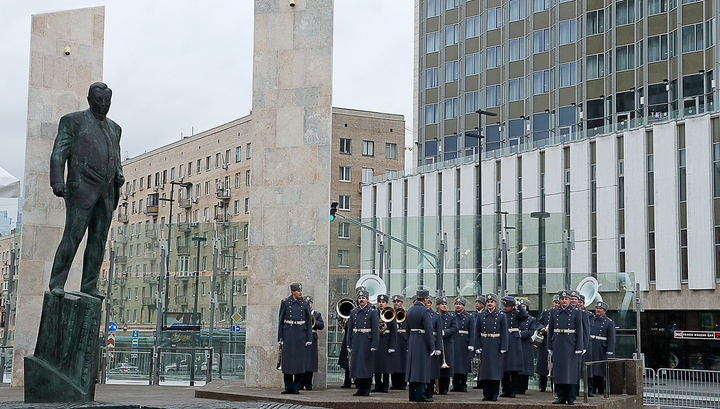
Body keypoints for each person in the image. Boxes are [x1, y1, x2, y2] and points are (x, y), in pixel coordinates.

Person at [49, 82, 124, 299]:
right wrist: (57, 182)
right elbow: (58, 153)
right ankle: (57, 283)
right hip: (80, 189)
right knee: (73, 236)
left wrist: (119, 172)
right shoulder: (73, 121)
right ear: (89, 100)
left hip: (107, 192)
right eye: (98, 100)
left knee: (98, 240)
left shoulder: (115, 128)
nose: (103, 105)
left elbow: (115, 157)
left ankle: (89, 285)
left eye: (106, 101)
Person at [547, 290, 584, 405]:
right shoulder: (553, 311)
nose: (564, 301)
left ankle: (571, 397)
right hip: (558, 343)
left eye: (566, 299)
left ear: (569, 300)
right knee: (558, 371)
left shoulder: (576, 312)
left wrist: (579, 346)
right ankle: (560, 396)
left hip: (570, 344)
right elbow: (551, 329)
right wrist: (549, 346)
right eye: (562, 299)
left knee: (570, 372)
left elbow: (580, 330)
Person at [277, 283, 313, 394]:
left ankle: (296, 386)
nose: (300, 293)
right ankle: (288, 387)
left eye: (301, 291)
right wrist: (280, 337)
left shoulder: (305, 304)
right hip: (289, 333)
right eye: (298, 291)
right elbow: (281, 320)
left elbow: (308, 321)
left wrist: (309, 338)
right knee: (287, 363)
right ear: (293, 292)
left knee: (299, 363)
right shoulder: (285, 302)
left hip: (301, 334)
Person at [474, 294, 508, 401]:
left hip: (496, 344)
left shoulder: (501, 315)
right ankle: (486, 394)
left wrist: (503, 346)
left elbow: (504, 332)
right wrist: (477, 345)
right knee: (485, 371)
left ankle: (494, 394)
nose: (489, 303)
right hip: (485, 344)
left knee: (495, 371)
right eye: (488, 302)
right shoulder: (481, 315)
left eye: (492, 302)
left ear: (495, 303)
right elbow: (477, 332)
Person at [405, 289, 436, 402]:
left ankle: (412, 395)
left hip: (413, 340)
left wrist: (409, 343)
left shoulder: (410, 310)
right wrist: (432, 347)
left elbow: (407, 329)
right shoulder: (425, 311)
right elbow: (429, 330)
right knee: (422, 369)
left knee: (413, 369)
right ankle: (421, 395)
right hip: (422, 341)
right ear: (425, 299)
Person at [346, 289, 379, 396]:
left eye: (363, 298)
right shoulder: (353, 312)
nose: (361, 300)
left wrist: (374, 344)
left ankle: (366, 388)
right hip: (356, 340)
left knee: (366, 366)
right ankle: (359, 388)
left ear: (367, 299)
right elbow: (350, 329)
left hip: (367, 341)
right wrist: (348, 343)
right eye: (359, 298)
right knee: (357, 365)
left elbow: (375, 330)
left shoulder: (373, 312)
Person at [500, 296, 529, 398]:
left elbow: (525, 315)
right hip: (505, 339)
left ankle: (514, 390)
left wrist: (519, 305)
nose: (504, 307)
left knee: (514, 368)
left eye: (507, 306)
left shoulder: (517, 314)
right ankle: (505, 389)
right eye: (504, 305)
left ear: (512, 306)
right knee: (504, 367)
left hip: (514, 340)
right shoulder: (501, 314)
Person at [589, 301, 615, 396]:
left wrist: (610, 349)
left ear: (604, 311)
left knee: (599, 369)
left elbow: (611, 337)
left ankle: (601, 388)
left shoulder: (609, 322)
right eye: (597, 308)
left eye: (600, 309)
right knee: (591, 369)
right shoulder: (592, 320)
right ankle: (592, 389)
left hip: (601, 348)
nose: (598, 310)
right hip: (591, 345)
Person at [372, 294, 397, 393]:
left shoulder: (390, 312)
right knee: (376, 364)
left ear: (386, 303)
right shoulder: (374, 313)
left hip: (386, 341)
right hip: (377, 341)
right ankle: (378, 384)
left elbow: (394, 331)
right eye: (379, 302)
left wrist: (392, 346)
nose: (381, 304)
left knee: (386, 365)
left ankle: (386, 385)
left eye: (383, 302)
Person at [536, 295, 560, 392]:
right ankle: (542, 386)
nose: (557, 304)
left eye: (558, 303)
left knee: (555, 365)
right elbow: (539, 322)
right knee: (543, 364)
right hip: (546, 341)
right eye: (555, 302)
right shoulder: (546, 312)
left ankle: (555, 386)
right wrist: (542, 328)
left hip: (556, 341)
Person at [451, 297, 475, 392]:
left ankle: (463, 384)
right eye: (456, 304)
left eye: (460, 304)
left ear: (464, 306)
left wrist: (471, 344)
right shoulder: (452, 315)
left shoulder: (469, 317)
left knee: (463, 364)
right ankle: (455, 385)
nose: (458, 305)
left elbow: (472, 331)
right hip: (454, 341)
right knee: (454, 364)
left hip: (464, 343)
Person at [436, 296, 458, 394]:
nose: (444, 306)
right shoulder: (434, 315)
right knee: (435, 366)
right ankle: (435, 387)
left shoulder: (451, 317)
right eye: (442, 304)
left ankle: (444, 388)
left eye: (445, 304)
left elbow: (455, 328)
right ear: (437, 305)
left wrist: (444, 332)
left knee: (446, 368)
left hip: (447, 344)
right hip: (436, 343)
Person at [301, 296, 324, 390]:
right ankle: (299, 383)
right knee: (301, 361)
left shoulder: (316, 314)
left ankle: (308, 383)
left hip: (312, 338)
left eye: (310, 302)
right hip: (302, 338)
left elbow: (321, 325)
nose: (308, 304)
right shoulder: (300, 313)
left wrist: (311, 319)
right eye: (307, 302)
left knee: (310, 362)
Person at [518, 298, 539, 394]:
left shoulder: (531, 319)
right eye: (521, 306)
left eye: (524, 306)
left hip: (526, 344)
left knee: (525, 367)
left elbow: (531, 331)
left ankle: (523, 387)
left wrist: (520, 334)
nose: (522, 308)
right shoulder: (516, 317)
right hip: (517, 344)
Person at [390, 294, 408, 390]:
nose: (396, 303)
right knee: (394, 362)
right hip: (395, 338)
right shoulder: (390, 312)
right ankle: (394, 383)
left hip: (403, 339)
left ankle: (403, 383)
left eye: (398, 302)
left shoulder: (406, 312)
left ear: (402, 303)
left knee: (403, 361)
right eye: (395, 302)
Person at [472, 295, 486, 389]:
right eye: (476, 302)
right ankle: (477, 380)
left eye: (479, 302)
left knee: (483, 362)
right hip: (475, 339)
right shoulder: (473, 314)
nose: (477, 304)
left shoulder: (485, 314)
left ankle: (483, 382)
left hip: (484, 340)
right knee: (475, 361)